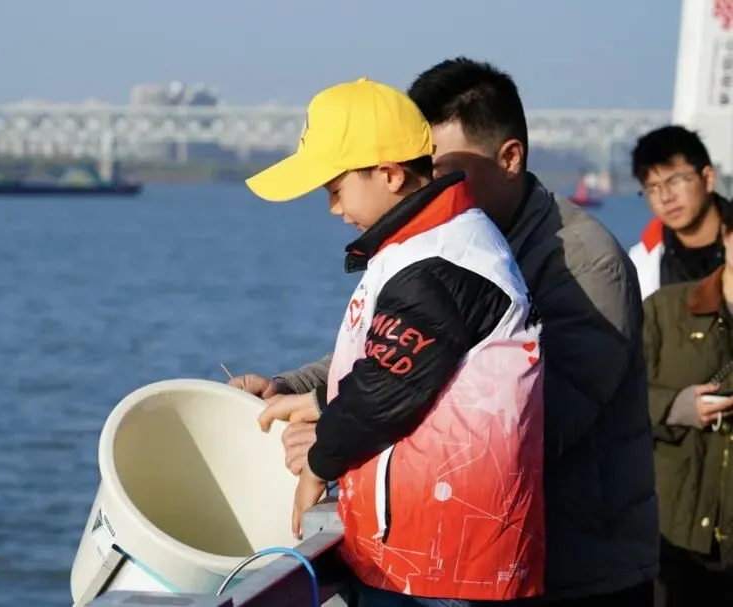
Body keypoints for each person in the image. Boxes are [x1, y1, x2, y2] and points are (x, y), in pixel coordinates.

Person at [232, 58, 658, 605]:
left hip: (579, 567)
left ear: (510, 158)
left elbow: (533, 422)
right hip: (468, 558)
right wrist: (293, 391)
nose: (432, 179)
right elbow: (399, 353)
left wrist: (331, 440)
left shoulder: (582, 261)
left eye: (443, 166)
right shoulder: (437, 242)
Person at [246, 77, 545, 605]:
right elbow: (401, 369)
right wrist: (315, 400)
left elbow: (385, 391)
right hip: (427, 555)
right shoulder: (428, 244)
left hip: (447, 565)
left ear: (388, 173)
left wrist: (318, 464)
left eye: (335, 189)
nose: (332, 207)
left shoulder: (439, 261)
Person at [645, 214, 733, 605]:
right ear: (726, 236)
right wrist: (675, 407)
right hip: (672, 533)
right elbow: (614, 395)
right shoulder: (665, 310)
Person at [628, 125, 733, 300]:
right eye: (653, 188)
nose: (666, 197)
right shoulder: (639, 265)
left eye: (675, 181)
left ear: (708, 178)